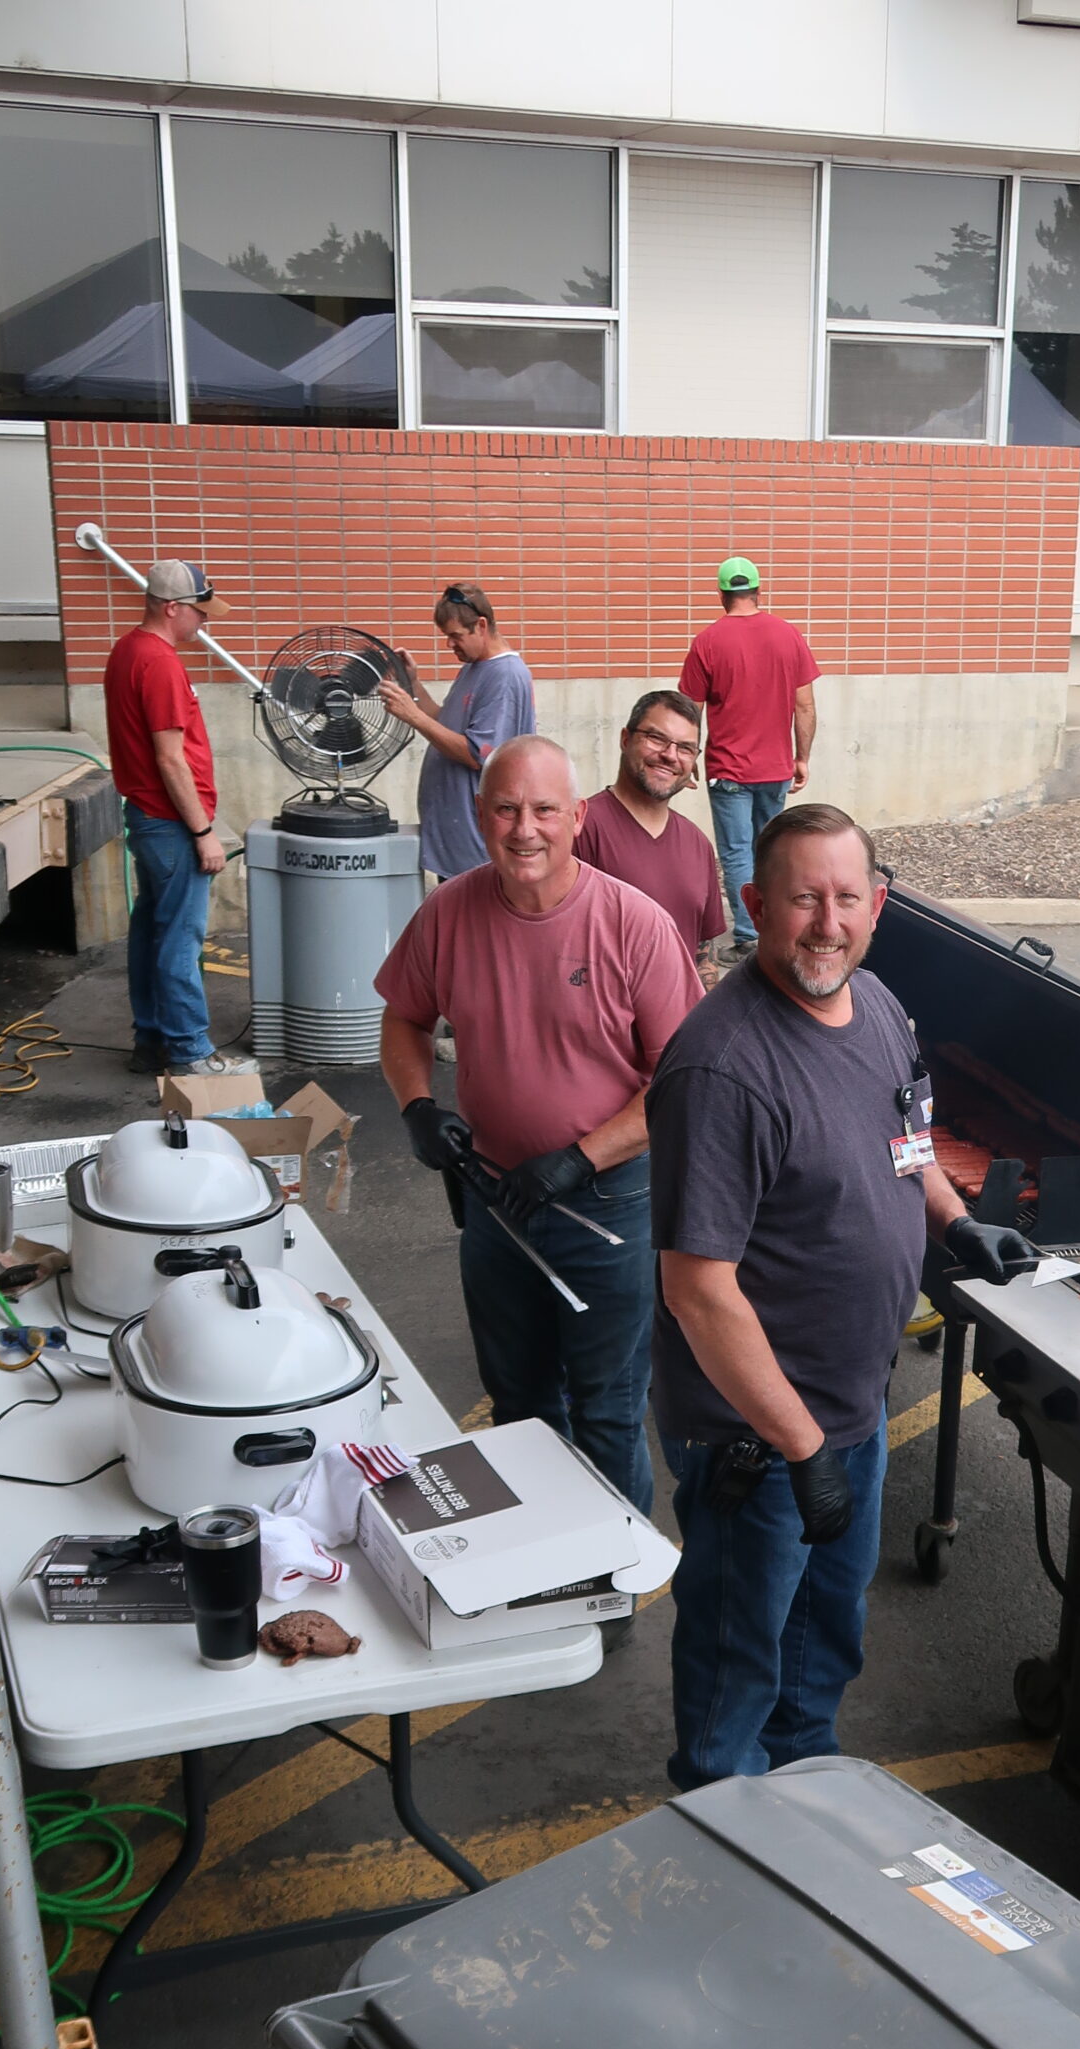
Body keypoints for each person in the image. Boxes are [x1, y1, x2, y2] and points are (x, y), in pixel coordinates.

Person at [646, 801, 1039, 1792]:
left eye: (847, 898)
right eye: (803, 899)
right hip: (760, 1433)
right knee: (740, 1653)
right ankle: (721, 1824)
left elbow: (907, 1140)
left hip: (851, 1410)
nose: (827, 922)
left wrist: (953, 1221)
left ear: (880, 904)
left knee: (825, 1638)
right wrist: (799, 1443)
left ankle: (804, 1792)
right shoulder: (724, 1066)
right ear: (756, 904)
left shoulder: (880, 1007)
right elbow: (697, 1289)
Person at [376, 738, 700, 1513]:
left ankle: (613, 1585)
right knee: (517, 1404)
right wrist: (417, 1106)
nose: (526, 830)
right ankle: (543, 1565)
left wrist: (581, 1159)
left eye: (545, 810)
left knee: (607, 1408)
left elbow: (680, 1084)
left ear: (577, 818)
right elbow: (404, 1022)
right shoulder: (448, 913)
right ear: (480, 815)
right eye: (507, 810)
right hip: (495, 1204)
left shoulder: (633, 926)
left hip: (608, 1207)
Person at [101, 559, 242, 1076]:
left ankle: (151, 1040)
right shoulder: (158, 662)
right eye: (199, 612)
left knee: (153, 932)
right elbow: (169, 757)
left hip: (147, 816)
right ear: (172, 607)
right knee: (180, 937)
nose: (204, 622)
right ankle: (189, 1050)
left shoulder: (126, 651)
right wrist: (203, 831)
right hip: (169, 821)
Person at [679, 557, 818, 958]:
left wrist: (686, 759)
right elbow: (805, 706)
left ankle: (749, 936)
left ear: (722, 595)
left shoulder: (708, 641)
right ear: (758, 591)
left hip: (728, 771)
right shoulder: (789, 636)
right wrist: (801, 757)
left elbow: (690, 709)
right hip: (775, 768)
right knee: (769, 848)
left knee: (738, 851)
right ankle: (775, 929)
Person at [379, 582, 535, 881]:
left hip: (476, 847)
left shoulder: (505, 675)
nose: (450, 645)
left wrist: (411, 716)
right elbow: (445, 724)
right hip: (457, 840)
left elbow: (478, 754)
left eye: (455, 636)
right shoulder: (475, 667)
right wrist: (412, 685)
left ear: (481, 625)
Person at [575, 689, 726, 977]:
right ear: (625, 739)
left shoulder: (698, 844)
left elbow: (704, 952)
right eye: (656, 738)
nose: (670, 756)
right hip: (605, 1020)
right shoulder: (580, 828)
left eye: (685, 748)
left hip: (680, 1019)